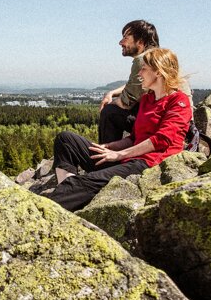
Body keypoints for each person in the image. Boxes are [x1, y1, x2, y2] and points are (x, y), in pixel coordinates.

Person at [48, 47, 192, 211]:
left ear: (158, 72)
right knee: (66, 140)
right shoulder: (147, 99)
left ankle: (54, 207)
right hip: (129, 158)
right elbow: (133, 137)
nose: (140, 74)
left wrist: (119, 154)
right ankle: (68, 192)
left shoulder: (179, 101)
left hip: (149, 164)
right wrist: (110, 147)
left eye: (144, 69)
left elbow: (161, 140)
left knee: (85, 181)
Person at [98, 20, 159, 144]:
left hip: (158, 126)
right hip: (171, 122)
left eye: (126, 38)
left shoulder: (142, 61)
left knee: (109, 112)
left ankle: (105, 158)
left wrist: (109, 103)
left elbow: (126, 102)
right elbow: (135, 85)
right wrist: (112, 93)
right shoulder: (157, 58)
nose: (120, 42)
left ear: (140, 42)